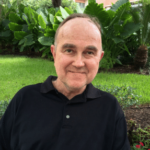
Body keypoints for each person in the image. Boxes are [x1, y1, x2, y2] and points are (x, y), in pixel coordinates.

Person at [0, 13, 131, 150]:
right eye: (69, 50)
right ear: (54, 53)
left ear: (99, 57)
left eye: (89, 52)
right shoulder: (25, 99)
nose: (79, 63)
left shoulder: (109, 108)